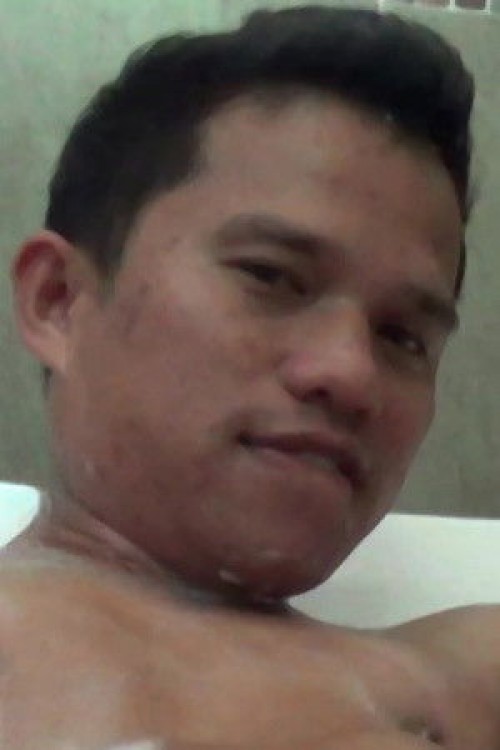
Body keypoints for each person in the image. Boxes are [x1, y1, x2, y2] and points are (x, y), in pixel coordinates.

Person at [1, 5, 495, 749]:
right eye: (270, 276)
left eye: (402, 336)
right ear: (59, 301)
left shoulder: (466, 673)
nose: (350, 373)